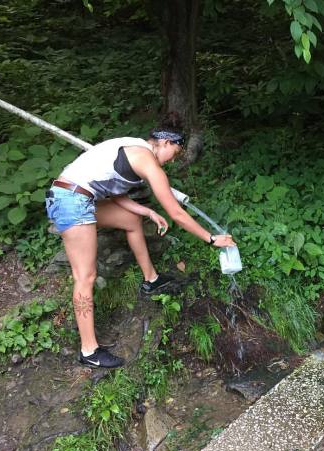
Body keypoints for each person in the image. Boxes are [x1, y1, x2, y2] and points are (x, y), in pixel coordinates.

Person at [45, 130, 236, 369]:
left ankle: (151, 279)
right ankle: (89, 350)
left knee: (131, 221)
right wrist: (211, 238)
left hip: (76, 197)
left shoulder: (133, 149)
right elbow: (176, 212)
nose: (173, 160)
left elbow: (116, 195)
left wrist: (147, 212)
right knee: (85, 276)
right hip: (70, 201)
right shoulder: (146, 159)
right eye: (174, 154)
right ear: (165, 143)